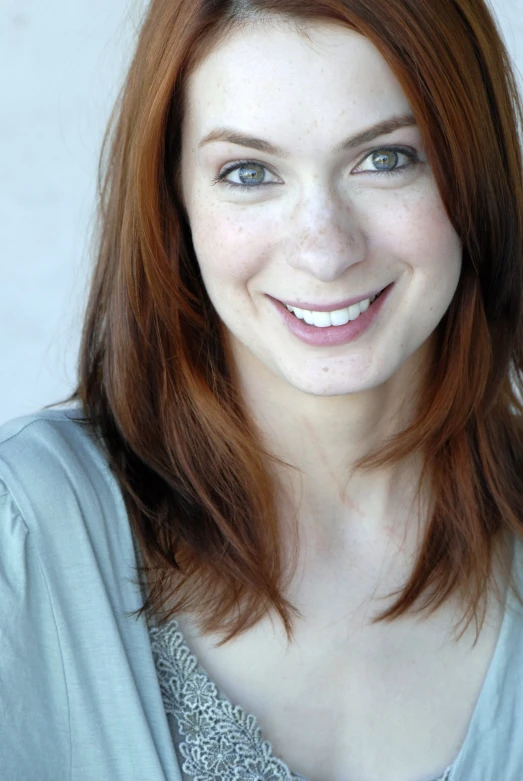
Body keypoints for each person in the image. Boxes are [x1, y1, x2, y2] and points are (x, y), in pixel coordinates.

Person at [1, 0, 523, 779]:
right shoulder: (29, 528)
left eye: (385, 157)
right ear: (174, 201)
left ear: (472, 171)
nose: (323, 248)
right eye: (248, 172)